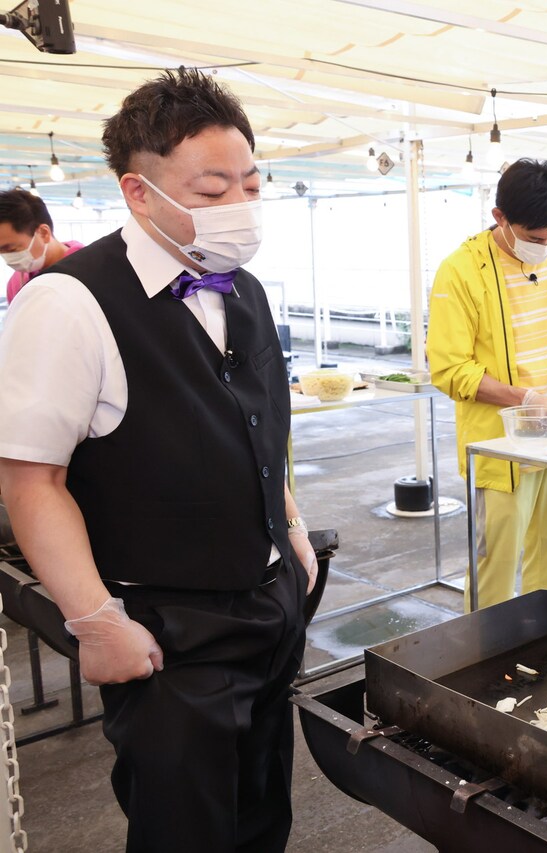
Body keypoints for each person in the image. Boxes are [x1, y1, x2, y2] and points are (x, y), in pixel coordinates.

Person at [0, 68, 315, 852]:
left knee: (262, 810)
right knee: (186, 827)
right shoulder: (68, 301)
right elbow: (29, 476)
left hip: (268, 602)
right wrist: (95, 619)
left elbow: (259, 422)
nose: (239, 206)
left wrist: (292, 527)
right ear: (138, 193)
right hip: (166, 628)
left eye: (250, 182)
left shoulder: (243, 289)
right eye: (212, 191)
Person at [428, 158, 547, 610]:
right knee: (494, 570)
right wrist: (524, 399)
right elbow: (450, 369)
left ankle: (542, 655)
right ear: (500, 218)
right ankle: (481, 666)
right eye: (533, 238)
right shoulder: (461, 270)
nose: (545, 246)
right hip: (499, 449)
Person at [0, 188, 85, 304]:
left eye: (11, 249)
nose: (7, 257)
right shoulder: (16, 282)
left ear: (43, 233)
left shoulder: (90, 269)